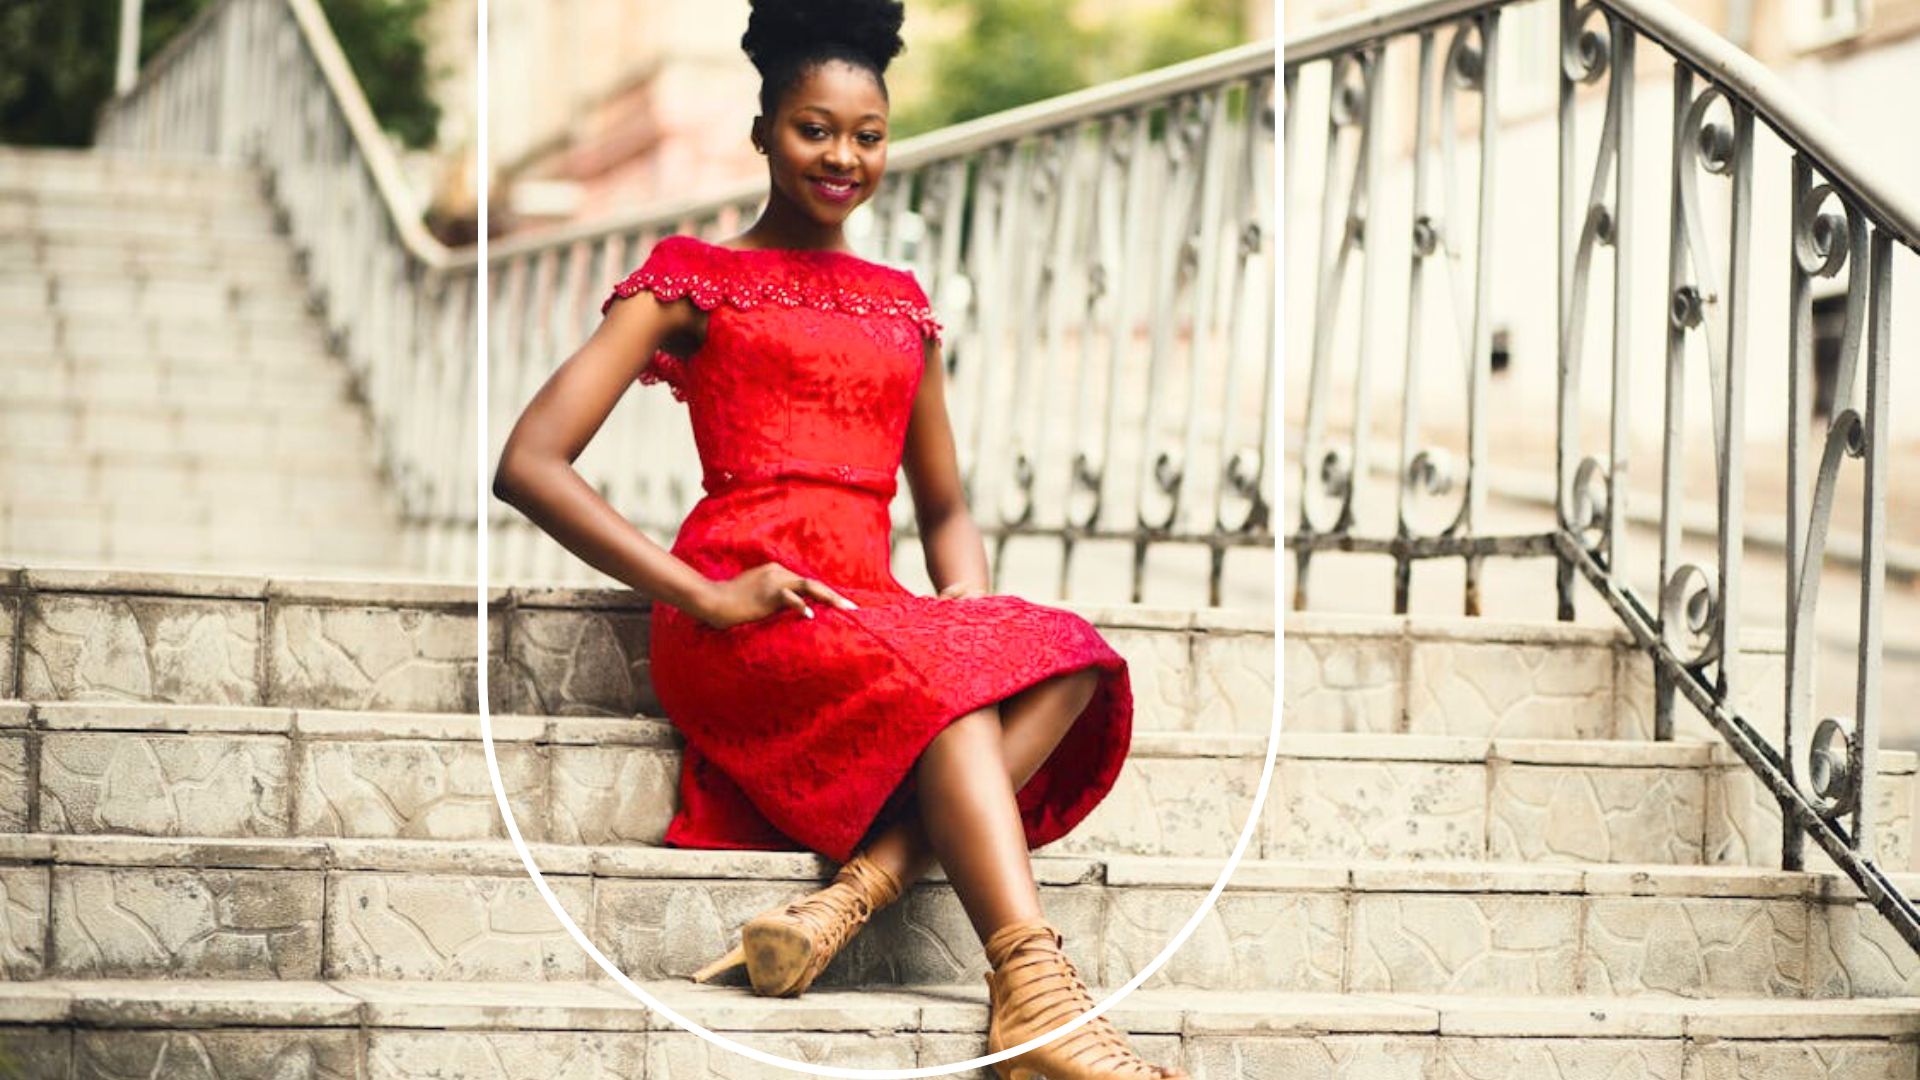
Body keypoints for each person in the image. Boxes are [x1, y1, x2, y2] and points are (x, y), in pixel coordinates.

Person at [492, 2, 1184, 1076]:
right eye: (816, 129)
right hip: (744, 605)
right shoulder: (692, 278)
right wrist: (706, 595)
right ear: (764, 131)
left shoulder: (901, 306)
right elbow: (530, 459)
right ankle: (1035, 997)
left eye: (867, 135)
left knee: (1072, 659)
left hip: (872, 608)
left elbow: (946, 509)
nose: (842, 156)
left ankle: (852, 898)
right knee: (948, 692)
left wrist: (967, 611)